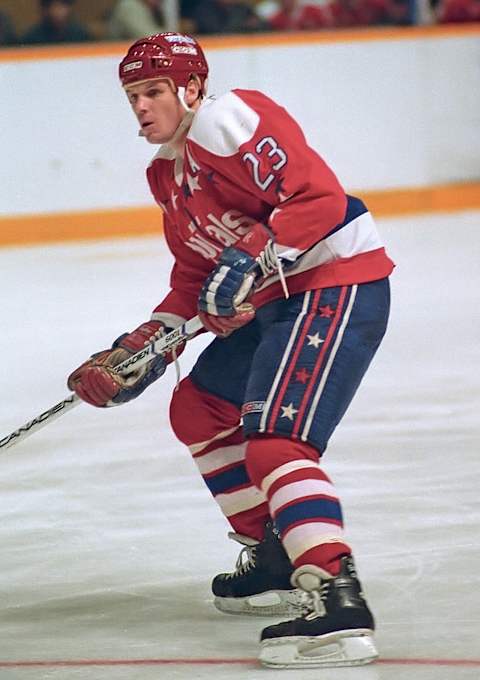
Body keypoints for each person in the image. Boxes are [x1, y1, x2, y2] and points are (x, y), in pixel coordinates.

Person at [68, 32, 394, 669]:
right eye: (133, 94)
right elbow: (196, 279)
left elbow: (320, 200)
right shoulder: (168, 171)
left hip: (335, 281)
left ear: (190, 88)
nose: (141, 105)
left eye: (154, 91)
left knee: (275, 437)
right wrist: (140, 349)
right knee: (199, 409)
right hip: (276, 298)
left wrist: (250, 256)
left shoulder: (222, 119)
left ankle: (335, 596)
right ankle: (272, 554)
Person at [22, 0, 92, 45]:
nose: (56, 11)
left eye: (61, 5)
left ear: (69, 7)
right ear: (44, 9)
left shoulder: (81, 36)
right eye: (52, 5)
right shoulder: (31, 39)